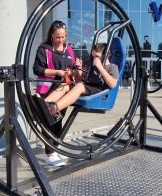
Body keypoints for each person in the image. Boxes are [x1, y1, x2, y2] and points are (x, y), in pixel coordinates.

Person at [32, 20, 82, 167]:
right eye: (58, 37)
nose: (61, 40)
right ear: (51, 35)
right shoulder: (44, 49)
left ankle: (55, 147)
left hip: (64, 89)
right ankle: (49, 154)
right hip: (48, 90)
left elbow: (73, 71)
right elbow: (37, 69)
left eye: (63, 36)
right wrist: (56, 72)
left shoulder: (69, 50)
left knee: (58, 120)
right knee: (48, 121)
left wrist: (76, 67)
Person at [44, 43, 119, 118]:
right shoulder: (92, 66)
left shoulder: (112, 67)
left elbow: (113, 84)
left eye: (97, 56)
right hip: (89, 87)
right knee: (65, 85)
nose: (95, 59)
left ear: (106, 55)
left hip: (100, 91)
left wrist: (100, 67)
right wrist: (79, 69)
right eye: (93, 56)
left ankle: (53, 109)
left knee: (80, 86)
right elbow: (80, 79)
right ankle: (44, 105)